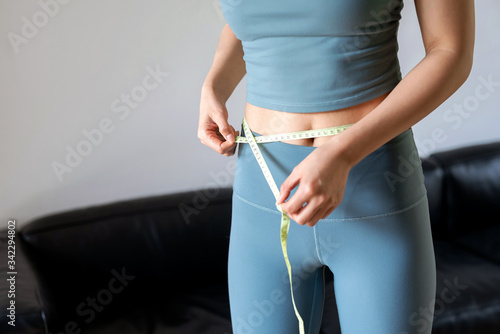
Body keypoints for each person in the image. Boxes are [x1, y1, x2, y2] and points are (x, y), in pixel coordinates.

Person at [198, 0, 475, 333]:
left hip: (373, 184)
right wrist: (214, 85)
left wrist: (343, 153)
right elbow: (255, 21)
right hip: (262, 191)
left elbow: (450, 50)